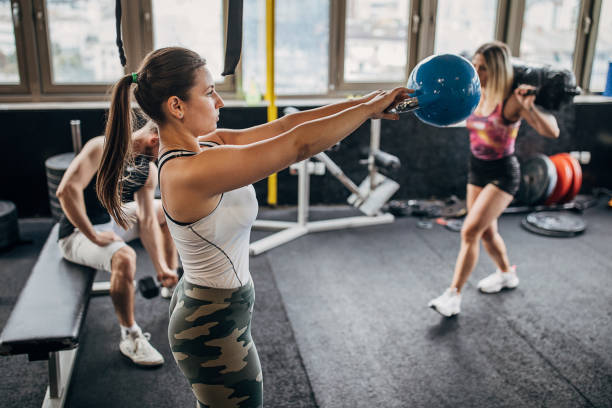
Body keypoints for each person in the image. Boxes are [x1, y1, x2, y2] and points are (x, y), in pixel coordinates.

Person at [96, 46, 409, 407]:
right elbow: (296, 145)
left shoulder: (204, 147)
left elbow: (288, 126)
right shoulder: (189, 172)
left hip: (214, 308)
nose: (219, 102)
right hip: (210, 324)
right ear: (176, 106)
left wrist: (367, 102)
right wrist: (367, 109)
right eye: (209, 91)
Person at [428, 41, 560, 317]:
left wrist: (529, 107)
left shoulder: (511, 101)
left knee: (470, 231)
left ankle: (453, 294)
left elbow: (552, 132)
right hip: (477, 168)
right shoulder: (473, 94)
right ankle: (506, 274)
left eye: (483, 67)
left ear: (497, 70)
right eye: (474, 64)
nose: (476, 71)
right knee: (488, 232)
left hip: (503, 173)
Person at [56, 121, 180, 366]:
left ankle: (169, 280)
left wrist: (161, 267)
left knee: (166, 211)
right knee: (124, 257)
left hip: (111, 219)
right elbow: (66, 191)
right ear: (155, 142)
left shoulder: (148, 169)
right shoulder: (101, 148)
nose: (165, 158)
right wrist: (92, 234)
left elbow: (146, 220)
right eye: (168, 151)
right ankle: (130, 335)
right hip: (76, 233)